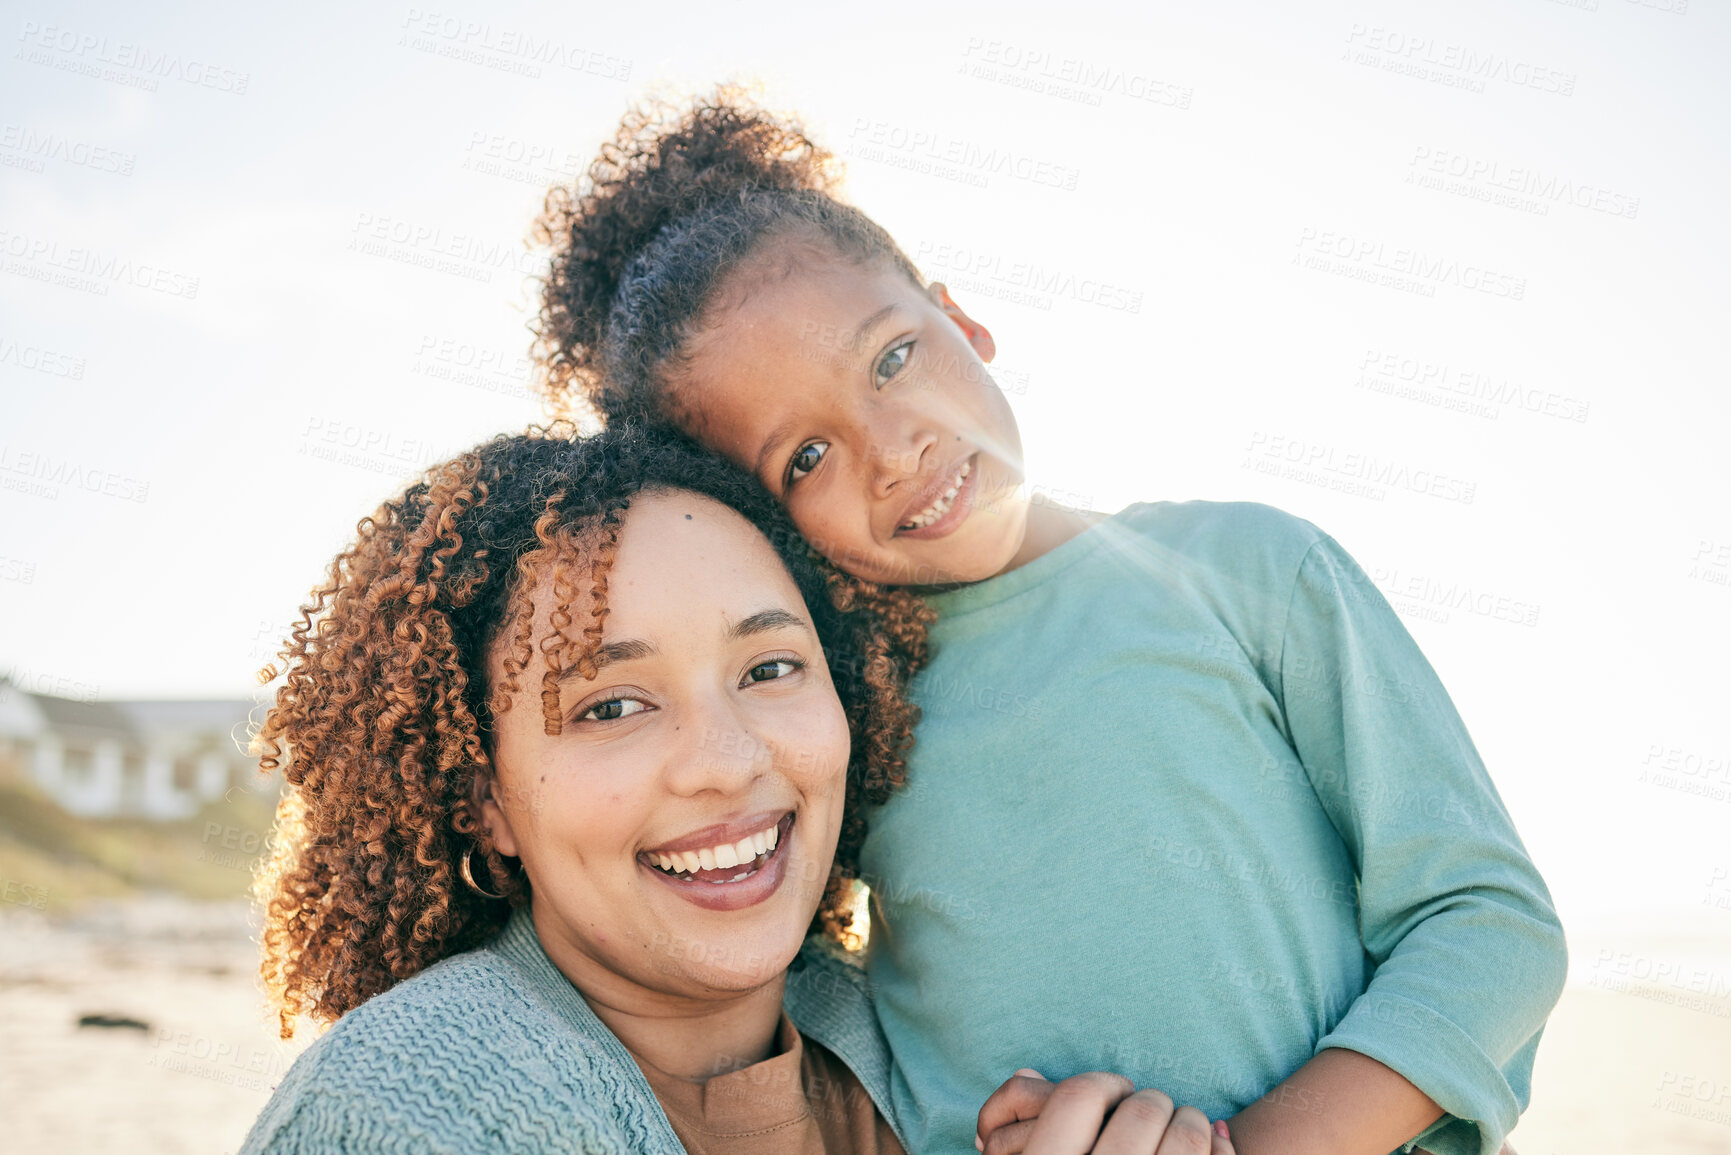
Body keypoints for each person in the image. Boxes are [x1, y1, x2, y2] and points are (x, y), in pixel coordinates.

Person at [528, 87, 1568, 1155]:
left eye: (893, 359)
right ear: (761, 520)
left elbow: (1488, 925)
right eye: (807, 457)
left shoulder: (1247, 570)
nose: (894, 450)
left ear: (960, 317)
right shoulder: (833, 719)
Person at [239, 424, 1231, 1155]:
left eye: (769, 670)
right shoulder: (413, 1104)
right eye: (612, 706)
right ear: (482, 797)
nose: (725, 759)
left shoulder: (923, 1047)